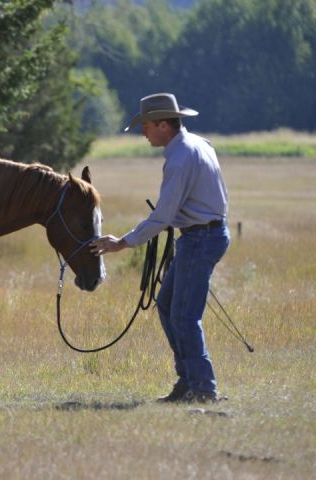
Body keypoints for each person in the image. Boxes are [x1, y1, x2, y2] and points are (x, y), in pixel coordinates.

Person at [90, 93, 229, 403]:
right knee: (167, 307)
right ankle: (188, 382)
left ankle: (204, 388)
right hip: (203, 235)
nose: (144, 133)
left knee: (183, 316)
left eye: (147, 126)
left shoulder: (179, 159)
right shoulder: (200, 145)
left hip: (200, 238)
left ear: (164, 125)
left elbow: (163, 216)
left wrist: (122, 242)